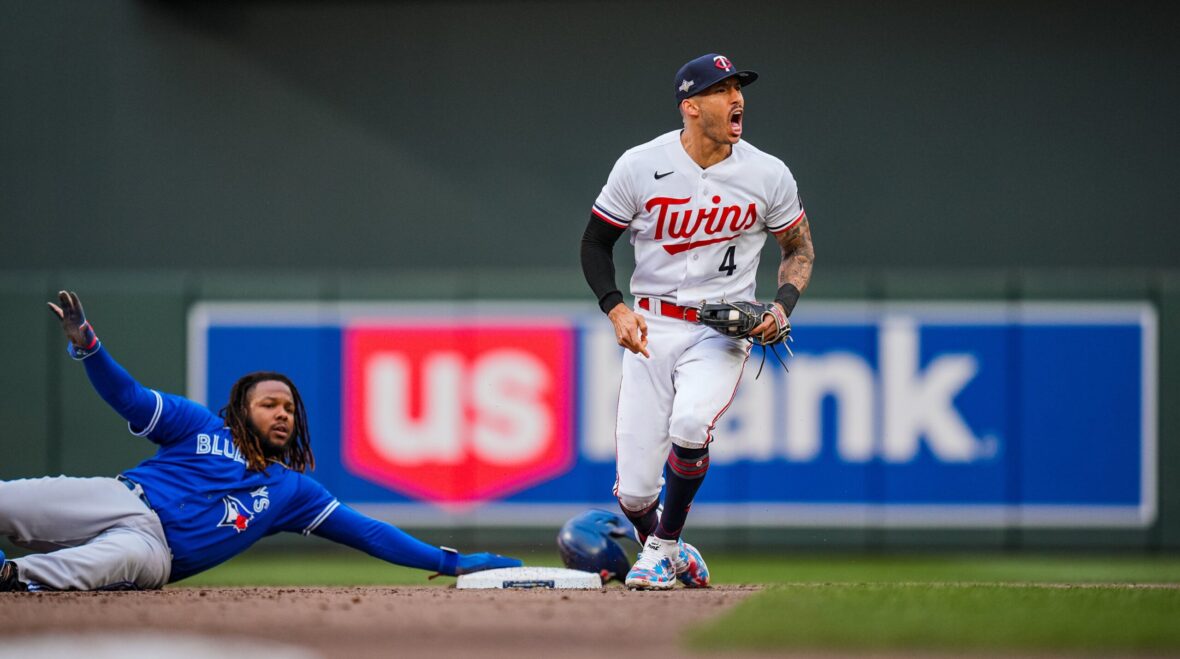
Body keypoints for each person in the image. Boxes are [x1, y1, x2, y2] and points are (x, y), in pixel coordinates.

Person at [0, 291, 521, 592]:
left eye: (290, 408)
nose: (282, 414)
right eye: (270, 404)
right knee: (12, 499)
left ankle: (12, 575)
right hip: (121, 497)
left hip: (153, 549)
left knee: (112, 563)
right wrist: (90, 348)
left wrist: (450, 562)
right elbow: (131, 399)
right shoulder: (198, 425)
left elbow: (369, 533)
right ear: (240, 408)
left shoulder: (293, 491)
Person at [579, 53, 815, 589]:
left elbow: (799, 247)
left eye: (739, 88)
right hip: (650, 328)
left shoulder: (767, 172)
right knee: (635, 495)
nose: (738, 99)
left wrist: (780, 307)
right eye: (722, 90)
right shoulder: (640, 164)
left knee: (690, 425)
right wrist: (615, 306)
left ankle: (660, 548)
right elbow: (596, 241)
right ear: (691, 106)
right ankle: (673, 549)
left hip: (720, 331)